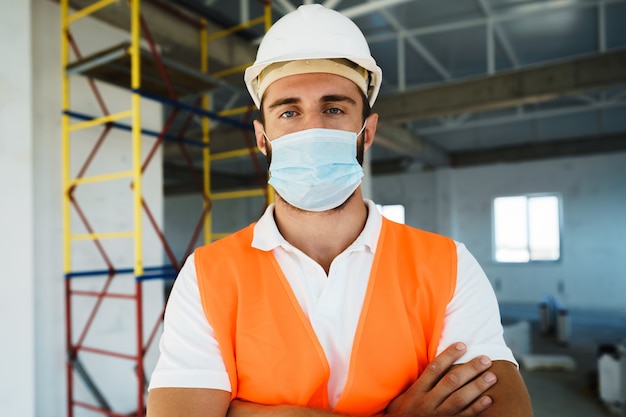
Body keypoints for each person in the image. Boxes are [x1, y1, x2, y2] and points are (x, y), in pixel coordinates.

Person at [147, 4, 532, 417]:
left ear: (366, 132)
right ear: (262, 137)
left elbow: (504, 410)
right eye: (289, 111)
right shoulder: (207, 274)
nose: (312, 128)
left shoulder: (448, 265)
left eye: (334, 109)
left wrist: (241, 411)